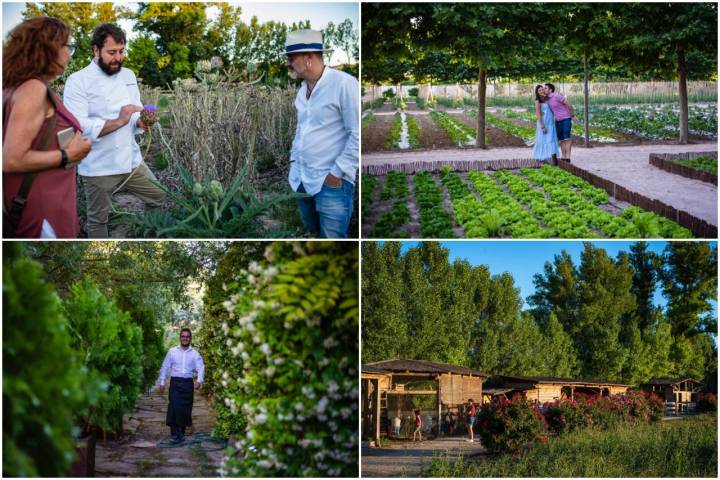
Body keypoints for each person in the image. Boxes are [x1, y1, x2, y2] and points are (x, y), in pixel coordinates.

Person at [63, 23, 164, 238]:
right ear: (96, 50)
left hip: (131, 161)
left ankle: (145, 235)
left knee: (158, 197)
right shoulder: (77, 81)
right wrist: (119, 121)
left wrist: (140, 122)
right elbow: (78, 127)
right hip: (99, 166)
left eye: (121, 51)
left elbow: (134, 109)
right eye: (111, 52)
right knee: (98, 220)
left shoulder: (128, 75)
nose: (118, 57)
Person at [3, 17, 92, 238]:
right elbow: (11, 159)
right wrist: (68, 154)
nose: (70, 54)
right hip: (42, 203)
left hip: (42, 196)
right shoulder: (33, 89)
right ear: (50, 47)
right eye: (68, 46)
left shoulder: (14, 87)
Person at [285, 29, 359, 238]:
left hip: (331, 183)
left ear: (308, 57)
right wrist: (293, 162)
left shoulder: (343, 84)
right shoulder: (302, 90)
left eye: (291, 58)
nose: (288, 63)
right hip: (301, 179)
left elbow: (357, 133)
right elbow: (301, 130)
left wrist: (336, 173)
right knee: (314, 237)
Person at [158, 328, 205, 444]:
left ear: (190, 338)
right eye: (183, 336)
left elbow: (201, 367)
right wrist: (162, 382)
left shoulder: (194, 354)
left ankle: (180, 432)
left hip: (188, 383)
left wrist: (199, 381)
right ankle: (177, 433)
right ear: (180, 337)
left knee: (185, 409)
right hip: (175, 382)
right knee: (175, 406)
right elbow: (164, 366)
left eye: (187, 336)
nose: (185, 338)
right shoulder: (172, 351)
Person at [544, 83, 577, 162]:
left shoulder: (557, 96)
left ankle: (568, 157)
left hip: (566, 119)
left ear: (550, 90)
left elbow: (568, 104)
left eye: (545, 88)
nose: (544, 89)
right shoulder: (547, 99)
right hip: (557, 121)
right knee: (561, 139)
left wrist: (572, 115)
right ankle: (563, 156)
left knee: (567, 138)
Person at [532, 85, 560, 165]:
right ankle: (540, 158)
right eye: (539, 90)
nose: (541, 91)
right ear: (537, 92)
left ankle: (553, 159)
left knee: (551, 140)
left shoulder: (547, 99)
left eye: (542, 89)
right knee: (542, 141)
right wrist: (542, 126)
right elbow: (538, 114)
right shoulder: (537, 101)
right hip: (543, 123)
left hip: (550, 123)